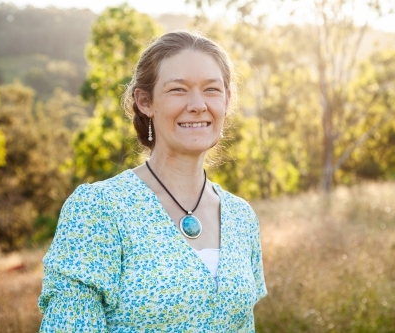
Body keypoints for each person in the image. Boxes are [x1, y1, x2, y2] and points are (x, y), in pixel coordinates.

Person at [38, 31, 267, 332]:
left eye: (211, 89)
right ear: (145, 101)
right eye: (178, 90)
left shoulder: (241, 217)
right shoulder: (100, 210)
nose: (198, 105)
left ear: (227, 99)